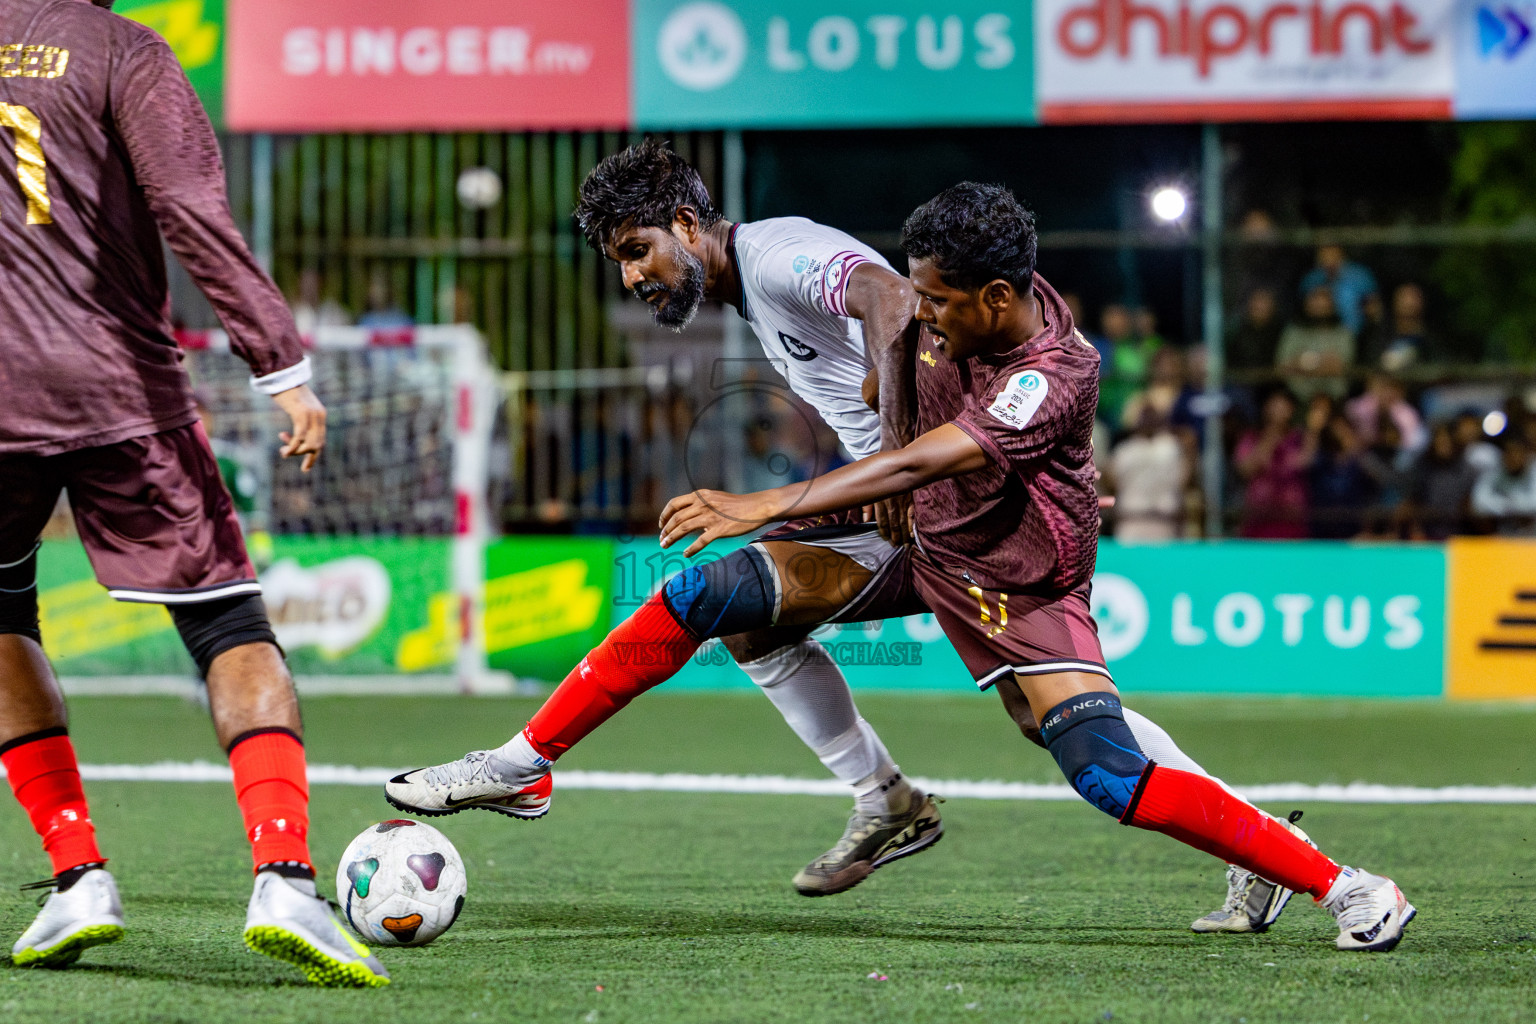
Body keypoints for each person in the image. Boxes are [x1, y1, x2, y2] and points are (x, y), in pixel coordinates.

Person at [387, 184, 1369, 942]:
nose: (635, 278)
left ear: (687, 224)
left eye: (638, 252)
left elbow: (888, 299)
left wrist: (877, 463)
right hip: (923, 520)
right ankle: (873, 796)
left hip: (961, 538)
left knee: (1085, 752)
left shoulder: (775, 258)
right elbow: (917, 335)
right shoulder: (787, 291)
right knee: (735, 609)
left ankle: (1303, 868)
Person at [652, 184, 1414, 952]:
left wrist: (763, 504)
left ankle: (1350, 889)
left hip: (1021, 573)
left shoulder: (1050, 373)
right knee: (1032, 720)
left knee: (1103, 770)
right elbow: (903, 373)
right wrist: (897, 385)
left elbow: (919, 461)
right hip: (956, 544)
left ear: (991, 297)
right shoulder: (973, 305)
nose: (921, 314)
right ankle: (1262, 858)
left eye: (935, 300)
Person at [0, 0, 386, 986]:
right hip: (121, 392)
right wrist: (280, 362)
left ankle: (77, 873)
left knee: (2, 616)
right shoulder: (126, 51)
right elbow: (189, 209)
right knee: (226, 624)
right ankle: (285, 877)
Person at [1233, 386, 1314, 539]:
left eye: (1285, 406)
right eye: (1275, 405)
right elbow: (1245, 469)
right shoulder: (1251, 437)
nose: (1280, 410)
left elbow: (1305, 462)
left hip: (1292, 520)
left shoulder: (1300, 438)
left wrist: (1312, 431)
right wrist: (1270, 438)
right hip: (1260, 520)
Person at [1276, 286, 1356, 404]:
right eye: (1316, 305)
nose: (1320, 310)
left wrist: (1304, 363)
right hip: (1297, 398)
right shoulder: (1294, 331)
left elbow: (1341, 365)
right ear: (1306, 306)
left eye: (1324, 306)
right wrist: (1322, 363)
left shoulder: (1343, 333)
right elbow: (1282, 365)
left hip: (1335, 398)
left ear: (1332, 307)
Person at [1299, 244, 1379, 337]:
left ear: (1341, 255)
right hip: (1321, 332)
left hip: (1358, 333)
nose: (1329, 262)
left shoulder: (1360, 275)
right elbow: (1303, 309)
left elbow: (1374, 306)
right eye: (1324, 257)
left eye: (1332, 256)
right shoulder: (1312, 279)